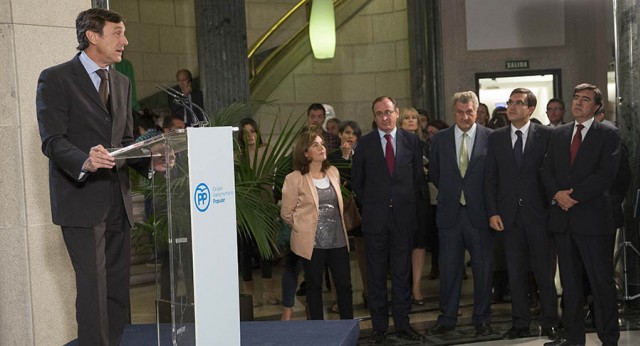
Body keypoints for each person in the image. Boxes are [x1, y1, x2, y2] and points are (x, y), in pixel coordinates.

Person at [35, 8, 158, 345]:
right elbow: (53, 140)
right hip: (81, 202)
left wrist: (151, 161)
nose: (125, 41)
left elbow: (126, 141)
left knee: (117, 290)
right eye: (117, 32)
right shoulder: (56, 78)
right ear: (92, 36)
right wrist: (84, 161)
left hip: (118, 202)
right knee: (93, 290)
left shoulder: (121, 82)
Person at [540, 83, 621, 346]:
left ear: (597, 106)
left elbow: (606, 175)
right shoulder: (560, 134)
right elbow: (546, 170)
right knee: (570, 286)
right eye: (575, 98)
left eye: (585, 99)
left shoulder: (608, 133)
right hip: (564, 222)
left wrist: (572, 196)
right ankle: (573, 338)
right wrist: (558, 195)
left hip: (594, 221)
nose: (578, 103)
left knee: (601, 283)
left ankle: (609, 338)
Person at [484, 88, 560, 340]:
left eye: (518, 103)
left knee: (543, 273)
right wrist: (493, 212)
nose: (512, 107)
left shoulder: (548, 135)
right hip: (508, 217)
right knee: (514, 273)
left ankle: (550, 319)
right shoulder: (496, 138)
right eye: (510, 102)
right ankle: (519, 322)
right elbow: (490, 178)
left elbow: (555, 174)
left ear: (530, 109)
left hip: (540, 216)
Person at [351, 96, 426, 343]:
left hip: (403, 219)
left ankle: (403, 324)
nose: (384, 117)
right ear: (375, 116)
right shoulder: (365, 143)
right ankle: (380, 327)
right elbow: (358, 183)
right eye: (379, 113)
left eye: (388, 112)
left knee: (402, 274)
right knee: (376, 276)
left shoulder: (412, 141)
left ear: (397, 113)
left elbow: (417, 180)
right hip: (375, 221)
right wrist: (372, 207)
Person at [428, 91, 494, 337]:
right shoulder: (441, 139)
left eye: (469, 112)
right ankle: (447, 318)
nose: (465, 116)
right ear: (453, 112)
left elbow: (493, 176)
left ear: (477, 112)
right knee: (449, 269)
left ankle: (482, 318)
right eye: (460, 112)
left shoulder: (491, 138)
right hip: (449, 214)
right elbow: (435, 173)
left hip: (480, 214)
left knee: (483, 269)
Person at [280, 131, 353, 320]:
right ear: (305, 153)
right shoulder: (294, 178)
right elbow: (286, 213)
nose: (321, 148)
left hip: (338, 239)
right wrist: (303, 226)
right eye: (315, 145)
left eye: (322, 144)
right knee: (313, 288)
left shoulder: (333, 172)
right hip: (311, 243)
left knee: (344, 286)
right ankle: (317, 332)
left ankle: (348, 329)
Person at [237, 118, 279, 307]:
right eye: (245, 133)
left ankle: (269, 293)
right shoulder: (238, 155)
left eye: (253, 131)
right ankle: (250, 295)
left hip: (265, 207)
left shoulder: (267, 150)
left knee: (265, 252)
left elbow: (272, 178)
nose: (250, 136)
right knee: (245, 253)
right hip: (245, 212)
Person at [327, 120, 367, 310]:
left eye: (354, 133)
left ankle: (368, 292)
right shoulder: (331, 157)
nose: (350, 136)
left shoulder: (361, 156)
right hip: (337, 209)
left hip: (359, 208)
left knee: (364, 253)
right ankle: (338, 299)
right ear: (340, 134)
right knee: (338, 254)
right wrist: (343, 157)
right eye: (347, 132)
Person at [398, 107, 432, 306]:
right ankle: (403, 286)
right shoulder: (395, 145)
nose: (411, 121)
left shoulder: (425, 145)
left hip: (420, 197)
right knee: (403, 243)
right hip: (401, 198)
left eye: (414, 118)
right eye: (407, 118)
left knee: (419, 243)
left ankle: (416, 287)